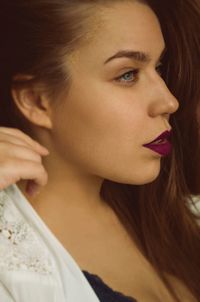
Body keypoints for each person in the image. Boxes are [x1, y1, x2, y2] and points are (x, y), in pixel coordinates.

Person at [0, 1, 200, 301]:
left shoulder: (176, 215)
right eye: (128, 75)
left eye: (158, 68)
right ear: (36, 101)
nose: (168, 102)